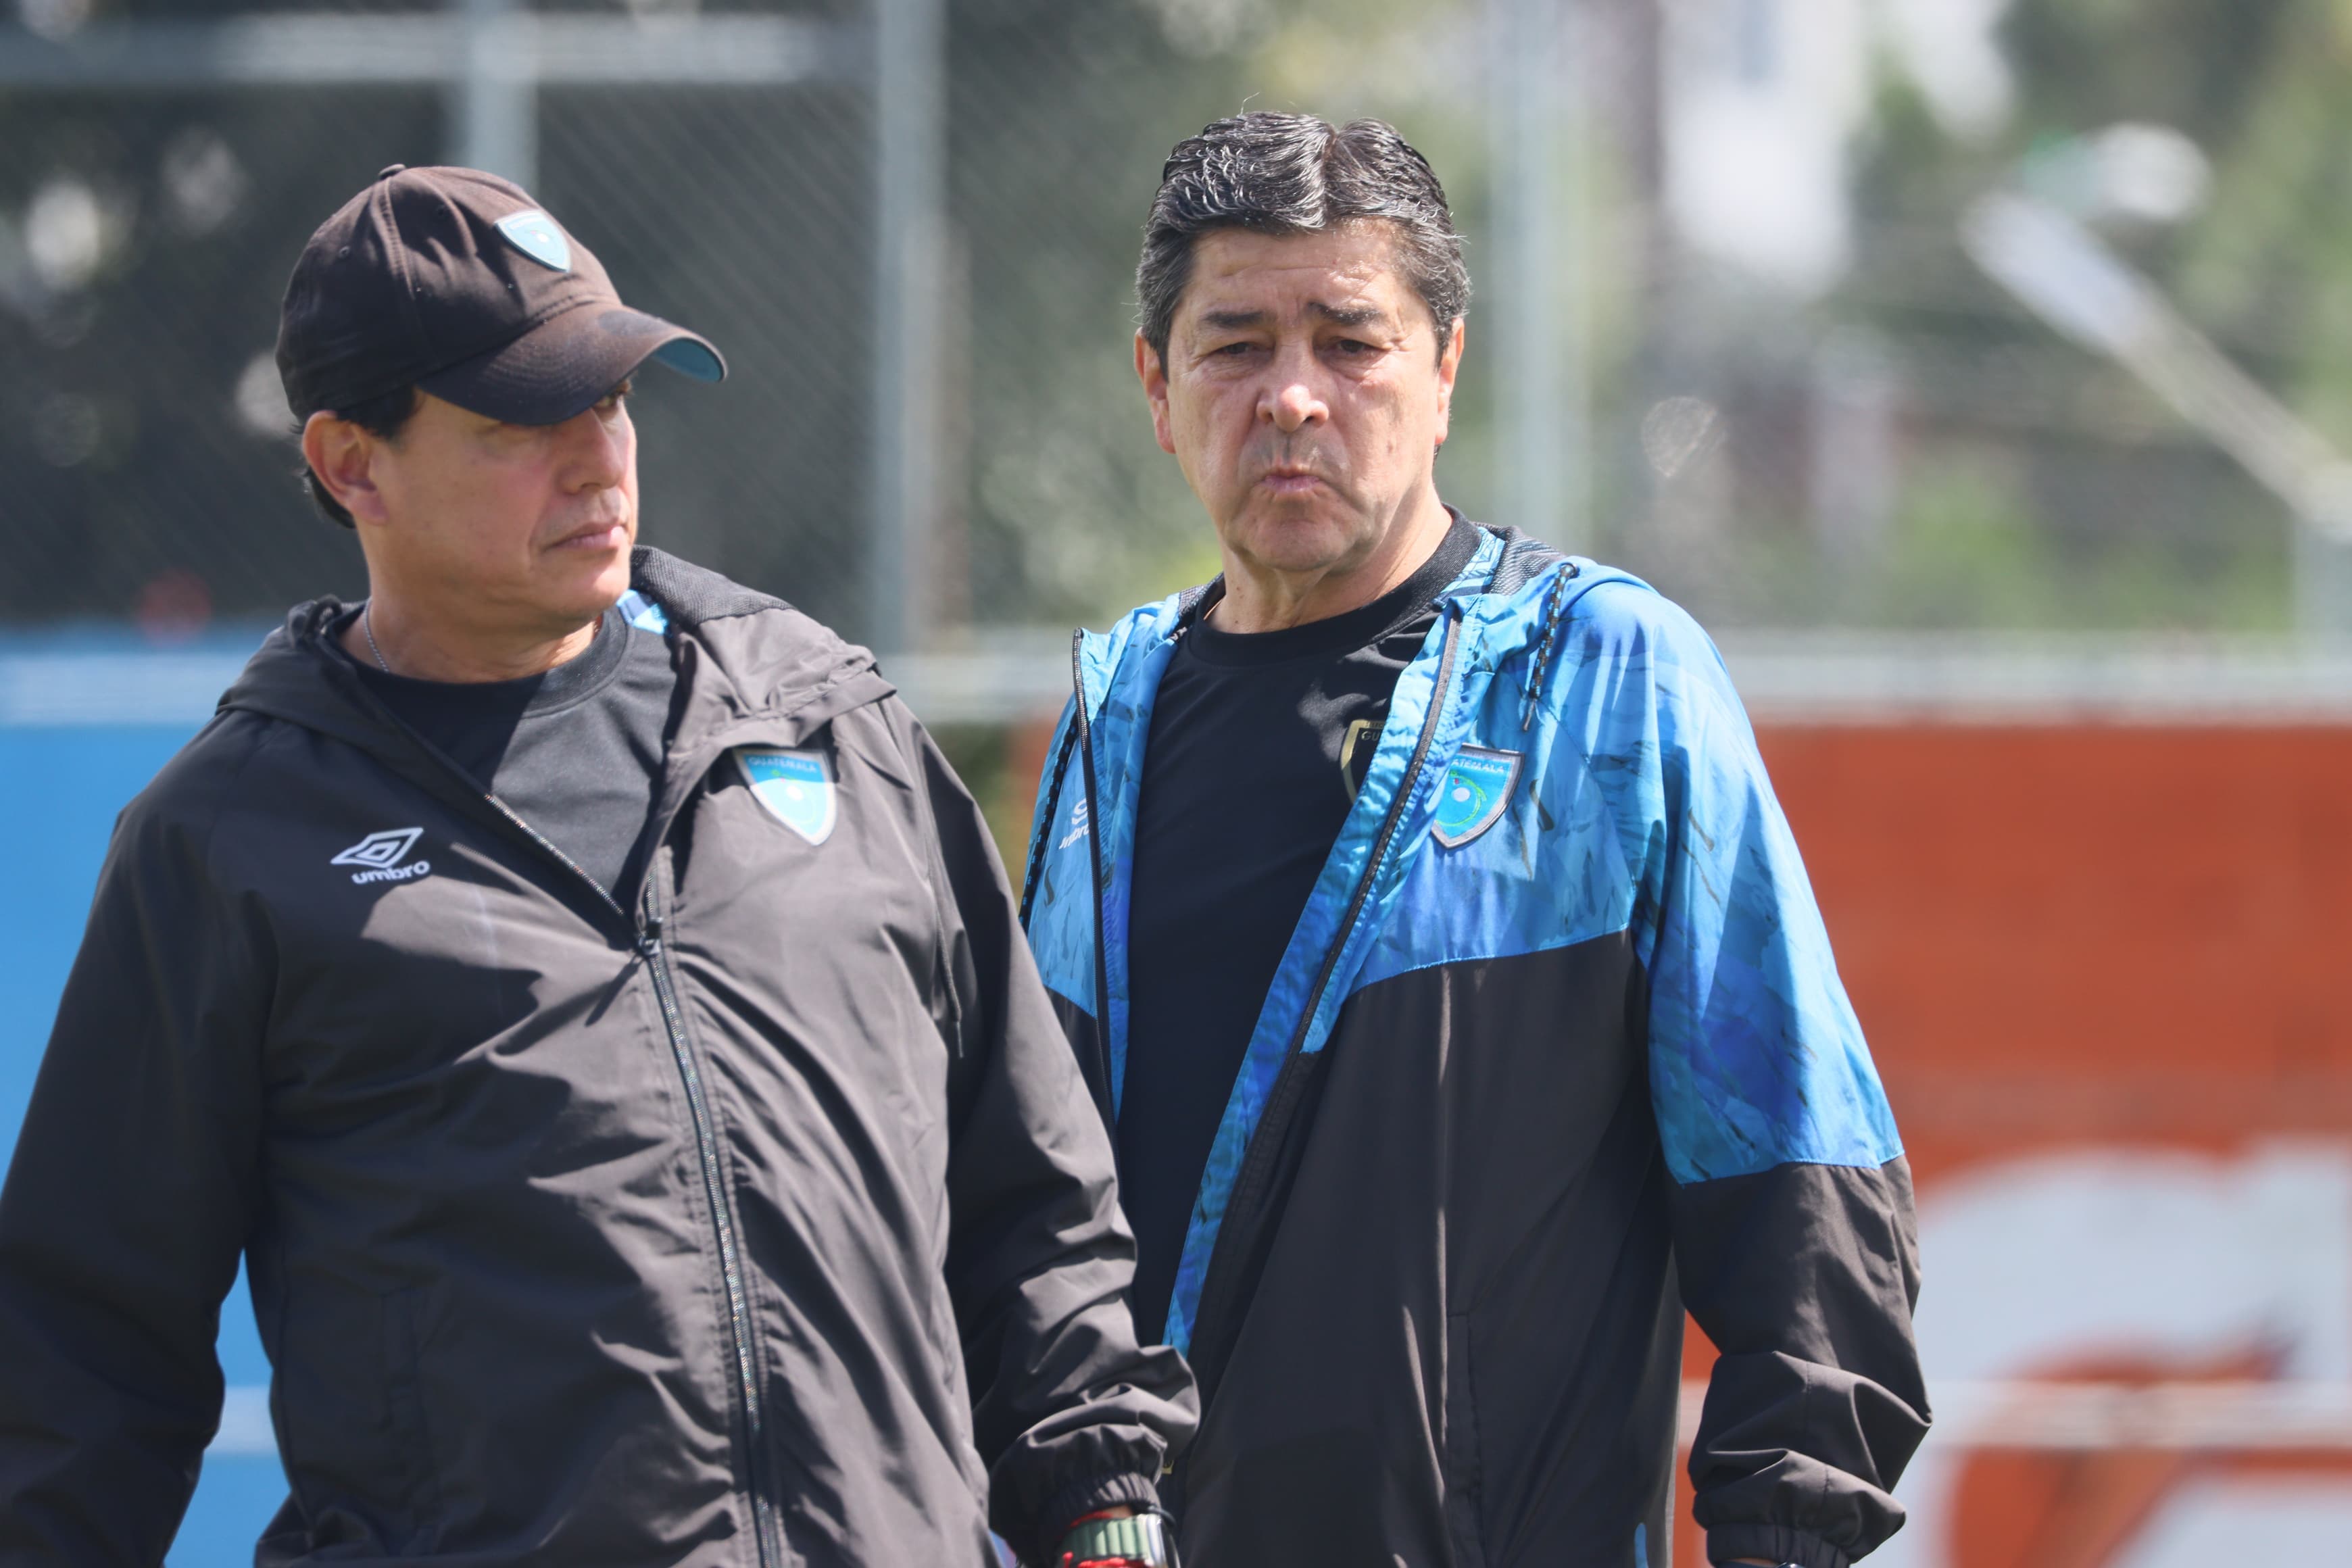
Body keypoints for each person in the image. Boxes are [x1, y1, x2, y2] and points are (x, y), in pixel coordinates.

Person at [0, 165, 1193, 1568]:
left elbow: (1029, 1191)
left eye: (611, 398)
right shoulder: (226, 840)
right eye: (522, 418)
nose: (597, 454)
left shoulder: (829, 719)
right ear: (349, 463)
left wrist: (1101, 1497)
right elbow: (84, 1359)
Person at [1018, 113, 1928, 1568]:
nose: (1294, 396)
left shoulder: (1609, 681)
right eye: (1236, 343)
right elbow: (1032, 1222)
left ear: (1446, 367)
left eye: (1351, 340)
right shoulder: (1107, 722)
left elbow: (1804, 1197)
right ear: (1156, 383)